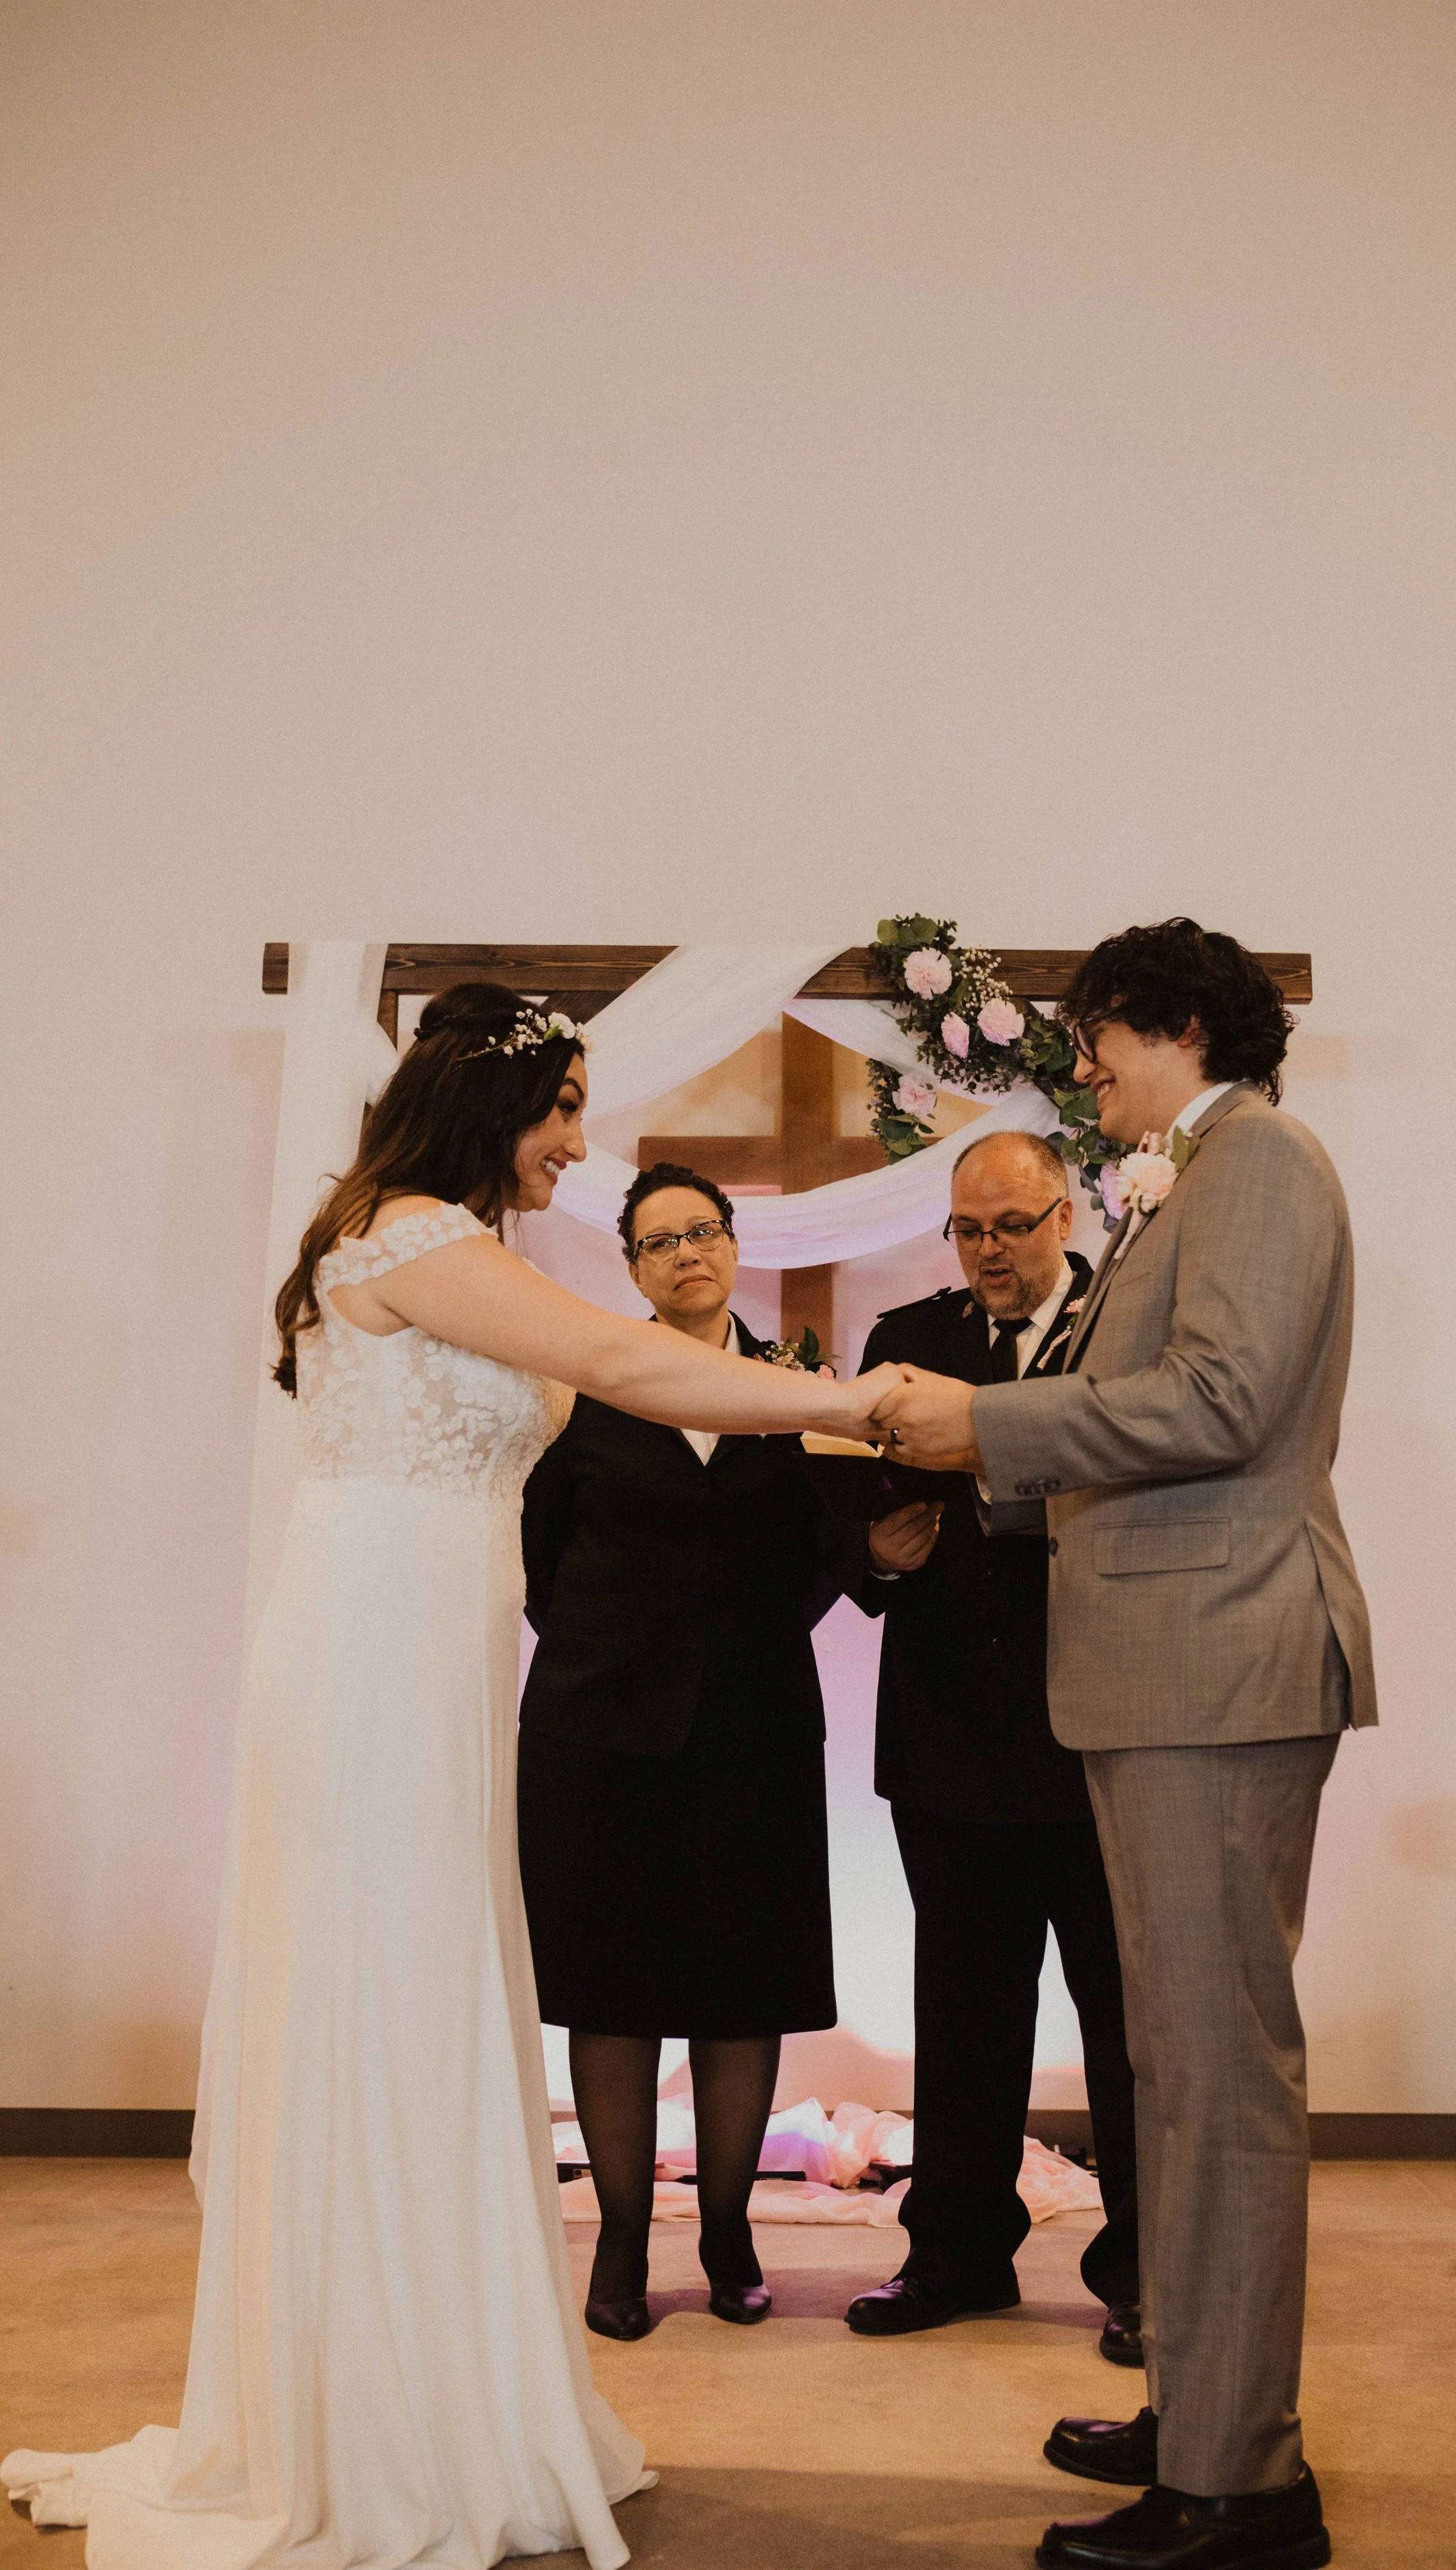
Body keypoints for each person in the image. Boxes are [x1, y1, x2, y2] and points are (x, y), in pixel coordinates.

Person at [3, 986, 898, 2570]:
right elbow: (646, 1372)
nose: (572, 1140)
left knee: (431, 1993)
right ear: (490, 1104)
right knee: (385, 1989)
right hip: (371, 1662)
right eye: (561, 1106)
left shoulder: (437, 1244)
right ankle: (371, 2420)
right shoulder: (412, 1239)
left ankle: (438, 2383)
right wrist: (856, 1402)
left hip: (425, 1659)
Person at [874, 920, 1377, 2570]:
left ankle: (1238, 2491)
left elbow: (1222, 1400)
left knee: (1218, 2084)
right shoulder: (1200, 1167)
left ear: (1167, 1023)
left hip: (1216, 1663)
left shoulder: (1261, 1161)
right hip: (1174, 1665)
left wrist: (984, 1426)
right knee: (1171, 2075)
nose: (1083, 1074)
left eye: (1094, 1042)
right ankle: (1197, 2408)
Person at [517, 1161, 937, 2343]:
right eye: (661, 1241)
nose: (688, 1253)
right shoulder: (590, 1388)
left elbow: (828, 1548)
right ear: (636, 1268)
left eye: (704, 1231)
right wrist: (624, 1649)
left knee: (742, 1990)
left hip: (753, 1727)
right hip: (599, 1734)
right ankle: (618, 2242)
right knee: (612, 1993)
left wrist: (887, 1564)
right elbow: (541, 1561)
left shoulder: (794, 1389)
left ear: (733, 1245)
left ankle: (729, 2233)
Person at [841, 1130, 1142, 2360]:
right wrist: (874, 1553)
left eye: (1012, 1226)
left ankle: (1144, 2272)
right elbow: (851, 1502)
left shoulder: (1119, 1334)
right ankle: (956, 2254)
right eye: (969, 1230)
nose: (991, 1253)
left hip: (1098, 1733)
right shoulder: (906, 1344)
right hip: (951, 1733)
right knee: (960, 2015)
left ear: (1064, 1216)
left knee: (1126, 2022)